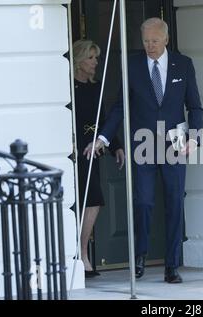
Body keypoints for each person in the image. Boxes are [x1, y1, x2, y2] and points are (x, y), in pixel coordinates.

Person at [84, 18, 203, 283]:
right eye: (146, 41)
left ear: (166, 40)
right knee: (144, 202)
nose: (150, 46)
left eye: (154, 41)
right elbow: (119, 107)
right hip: (143, 145)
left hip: (175, 144)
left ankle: (172, 265)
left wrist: (195, 138)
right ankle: (139, 258)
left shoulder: (183, 64)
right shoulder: (133, 65)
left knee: (174, 202)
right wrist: (103, 139)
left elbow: (195, 106)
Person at [73, 39, 125, 278]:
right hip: (76, 154)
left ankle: (82, 253)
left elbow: (104, 120)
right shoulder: (68, 88)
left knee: (93, 200)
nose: (95, 62)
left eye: (96, 57)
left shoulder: (96, 88)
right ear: (79, 61)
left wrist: (116, 146)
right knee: (83, 200)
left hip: (94, 152)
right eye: (91, 57)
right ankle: (79, 256)